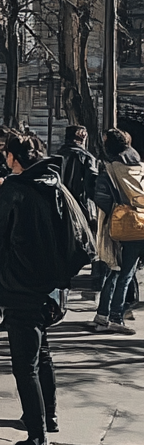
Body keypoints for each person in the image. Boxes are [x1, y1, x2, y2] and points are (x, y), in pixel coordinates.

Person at [0, 131, 66, 445]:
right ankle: (50, 415)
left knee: (25, 365)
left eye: (7, 153)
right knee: (42, 354)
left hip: (20, 284)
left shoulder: (16, 189)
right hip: (49, 285)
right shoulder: (53, 183)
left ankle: (37, 437)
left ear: (14, 158)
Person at [91, 128, 143, 336]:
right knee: (126, 272)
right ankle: (112, 315)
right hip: (140, 224)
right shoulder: (139, 167)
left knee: (116, 270)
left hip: (119, 223)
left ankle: (108, 316)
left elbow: (100, 197)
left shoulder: (110, 168)